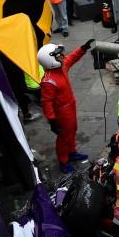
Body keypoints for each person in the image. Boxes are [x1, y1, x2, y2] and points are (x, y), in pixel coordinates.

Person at [38, 40, 94, 173]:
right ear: (50, 60)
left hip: (70, 107)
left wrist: (83, 48)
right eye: (58, 55)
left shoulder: (61, 67)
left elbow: (72, 57)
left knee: (73, 130)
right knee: (64, 137)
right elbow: (46, 102)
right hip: (61, 113)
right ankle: (63, 160)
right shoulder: (49, 81)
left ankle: (72, 152)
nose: (62, 56)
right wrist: (52, 120)